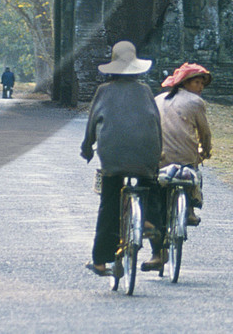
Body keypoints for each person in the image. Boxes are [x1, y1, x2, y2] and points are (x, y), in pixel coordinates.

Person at [80, 40, 162, 276]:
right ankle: (147, 219)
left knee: (109, 203)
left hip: (113, 157)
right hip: (146, 153)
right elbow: (156, 123)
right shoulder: (146, 91)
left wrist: (87, 148)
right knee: (150, 185)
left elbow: (93, 122)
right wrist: (156, 155)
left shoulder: (103, 91)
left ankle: (100, 261)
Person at [142, 62, 213, 269]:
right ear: (184, 83)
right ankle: (191, 206)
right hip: (185, 158)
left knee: (159, 203)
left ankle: (157, 253)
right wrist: (206, 151)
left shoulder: (157, 100)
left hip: (158, 157)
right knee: (194, 170)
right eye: (196, 82)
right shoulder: (196, 102)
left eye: (201, 83)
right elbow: (204, 133)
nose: (200, 87)